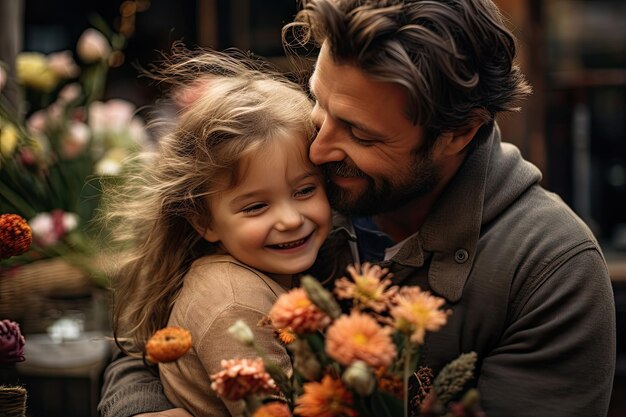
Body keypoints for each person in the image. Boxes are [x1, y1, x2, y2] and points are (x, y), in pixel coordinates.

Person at [98, 1, 616, 416]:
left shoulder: (551, 270)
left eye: (359, 132)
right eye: (318, 103)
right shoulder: (302, 180)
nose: (320, 147)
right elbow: (153, 329)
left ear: (458, 132)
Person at [99, 48, 331, 417]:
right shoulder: (235, 305)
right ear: (203, 221)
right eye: (256, 206)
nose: (289, 219)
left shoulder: (266, 273)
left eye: (304, 191)